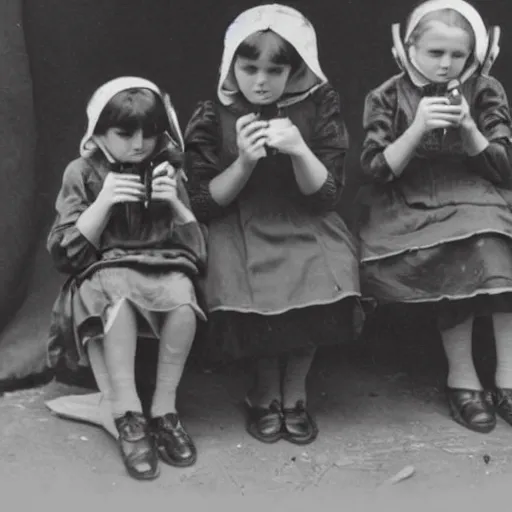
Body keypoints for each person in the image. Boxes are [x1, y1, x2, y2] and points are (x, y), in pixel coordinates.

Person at [184, 4, 361, 445]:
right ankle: (264, 390)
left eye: (274, 69)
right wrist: (244, 162)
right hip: (238, 221)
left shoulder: (319, 107)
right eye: (249, 68)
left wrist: (301, 150)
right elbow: (204, 202)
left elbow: (325, 195)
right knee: (249, 285)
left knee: (322, 270)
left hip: (302, 214)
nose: (260, 81)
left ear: (295, 70)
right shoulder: (214, 113)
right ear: (231, 65)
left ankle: (296, 390)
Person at [357, 0, 512, 433]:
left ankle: (509, 376)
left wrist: (469, 130)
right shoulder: (387, 96)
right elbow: (374, 170)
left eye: (457, 55)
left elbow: (504, 168)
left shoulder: (485, 91)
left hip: (476, 194)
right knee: (453, 248)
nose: (446, 65)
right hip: (411, 199)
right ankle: (461, 377)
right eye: (434, 53)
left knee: (497, 244)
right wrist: (417, 127)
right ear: (408, 49)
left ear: (473, 56)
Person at [47, 76, 207, 480]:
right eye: (124, 133)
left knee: (184, 296)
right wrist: (103, 202)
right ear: (99, 132)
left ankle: (164, 410)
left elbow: (198, 254)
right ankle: (127, 412)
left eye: (149, 134)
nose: (139, 144)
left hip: (159, 270)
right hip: (99, 277)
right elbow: (66, 255)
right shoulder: (81, 172)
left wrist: (174, 202)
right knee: (116, 296)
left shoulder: (167, 169)